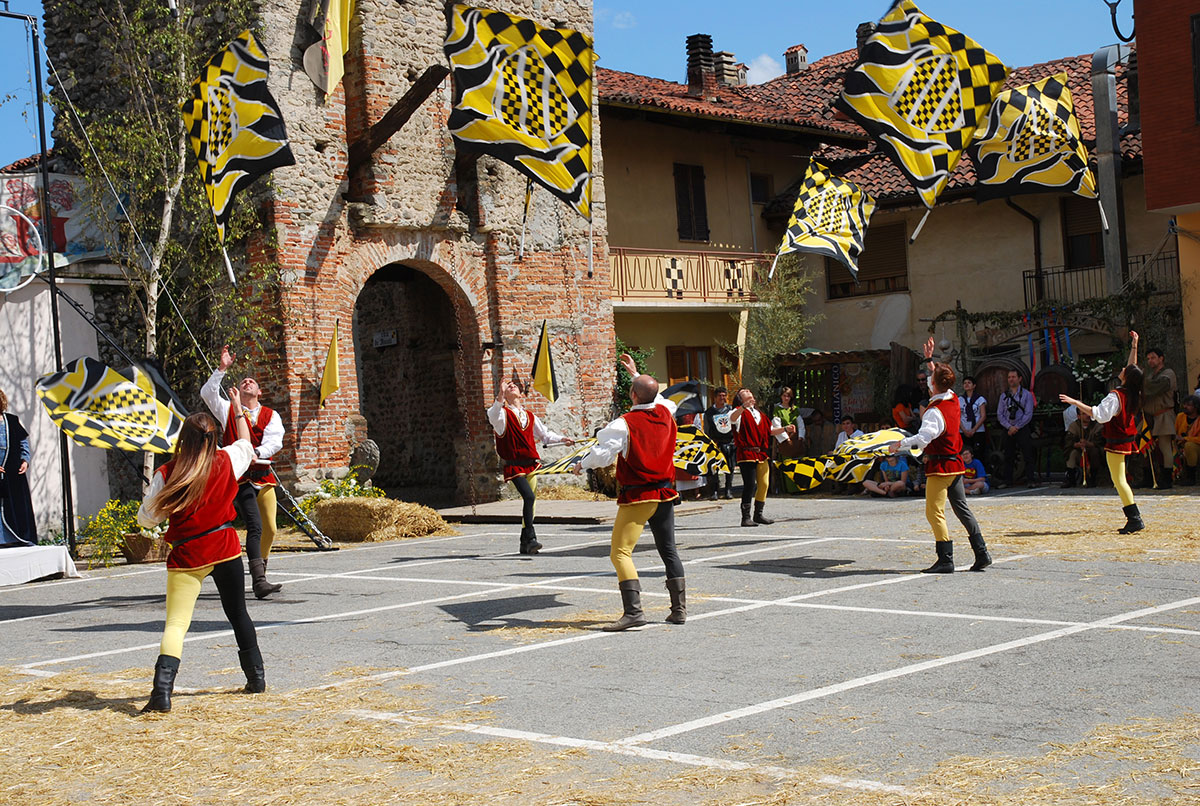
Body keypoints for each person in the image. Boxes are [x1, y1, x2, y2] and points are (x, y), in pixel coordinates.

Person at [137, 389, 265, 713]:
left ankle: (161, 695)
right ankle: (257, 679)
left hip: (188, 554)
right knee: (238, 615)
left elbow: (147, 518)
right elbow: (247, 446)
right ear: (213, 438)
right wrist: (237, 409)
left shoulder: (167, 474)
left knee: (176, 625)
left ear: (184, 439)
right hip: (224, 548)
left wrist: (153, 492)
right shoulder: (225, 459)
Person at [577, 353, 685, 630]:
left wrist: (581, 464)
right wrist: (637, 374)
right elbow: (655, 397)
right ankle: (679, 609)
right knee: (669, 551)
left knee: (620, 553)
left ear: (633, 396)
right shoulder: (666, 411)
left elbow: (602, 455)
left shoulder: (623, 423)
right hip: (665, 493)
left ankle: (634, 612)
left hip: (640, 495)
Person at [890, 337, 992, 574]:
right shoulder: (952, 398)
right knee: (962, 510)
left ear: (933, 385)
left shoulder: (934, 412)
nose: (927, 382)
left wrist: (900, 444)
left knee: (934, 512)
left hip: (940, 468)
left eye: (929, 380)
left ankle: (946, 559)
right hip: (955, 465)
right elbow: (939, 379)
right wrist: (930, 361)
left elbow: (923, 439)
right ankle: (982, 553)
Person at [201, 346, 285, 599]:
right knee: (254, 525)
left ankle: (262, 568)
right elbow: (207, 393)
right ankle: (258, 580)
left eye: (252, 382)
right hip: (238, 477)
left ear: (259, 392)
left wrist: (256, 454)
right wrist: (222, 368)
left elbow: (275, 442)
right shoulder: (228, 409)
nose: (247, 381)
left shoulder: (271, 415)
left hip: (262, 476)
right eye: (243, 380)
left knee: (270, 527)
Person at [1060, 331, 1145, 534]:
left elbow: (1098, 415)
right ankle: (1134, 518)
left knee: (1119, 480)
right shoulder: (1134, 392)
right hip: (1126, 439)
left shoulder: (1115, 396)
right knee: (1120, 479)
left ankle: (1134, 518)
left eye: (1125, 369)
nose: (1123, 368)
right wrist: (1134, 345)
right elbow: (1133, 369)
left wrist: (1074, 402)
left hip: (1116, 441)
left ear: (1127, 377)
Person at [487, 377, 573, 555]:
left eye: (514, 385)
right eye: (507, 386)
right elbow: (492, 416)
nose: (511, 386)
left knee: (531, 502)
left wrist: (562, 440)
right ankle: (531, 537)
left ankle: (525, 543)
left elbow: (546, 436)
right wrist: (500, 396)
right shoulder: (502, 414)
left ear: (521, 393)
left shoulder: (530, 416)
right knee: (529, 497)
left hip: (531, 465)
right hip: (515, 465)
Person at [730, 388, 792, 527]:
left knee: (764, 484)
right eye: (743, 391)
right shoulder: (738, 412)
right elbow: (732, 419)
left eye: (748, 390)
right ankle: (745, 517)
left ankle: (758, 514)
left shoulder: (760, 414)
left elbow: (769, 431)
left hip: (761, 453)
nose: (747, 390)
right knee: (750, 485)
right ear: (740, 398)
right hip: (747, 453)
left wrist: (785, 429)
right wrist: (742, 407)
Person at [0, 388, 37, 548]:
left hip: (13, 471)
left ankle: (17, 538)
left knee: (15, 505)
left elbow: (23, 443)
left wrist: (25, 460)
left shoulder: (11, 420)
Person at [1143, 347, 1178, 489]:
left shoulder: (1168, 374)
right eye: (1148, 359)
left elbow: (1156, 387)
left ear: (1161, 358)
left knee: (1165, 448)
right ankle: (1148, 478)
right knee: (1145, 446)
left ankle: (1167, 479)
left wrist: (1140, 380)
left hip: (1164, 414)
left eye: (1153, 358)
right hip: (1150, 416)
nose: (1150, 361)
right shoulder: (1150, 376)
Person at [997, 369, 1038, 488]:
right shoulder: (1004, 396)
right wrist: (1009, 427)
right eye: (1009, 377)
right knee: (1008, 455)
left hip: (1022, 427)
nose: (1011, 379)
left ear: (1019, 379)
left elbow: (1028, 413)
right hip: (1008, 428)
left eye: (1013, 377)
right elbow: (1000, 414)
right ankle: (1007, 480)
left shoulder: (1026, 395)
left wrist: (1017, 427)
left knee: (1027, 454)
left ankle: (1030, 480)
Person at [703, 387, 736, 500]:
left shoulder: (731, 410)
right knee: (714, 468)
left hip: (730, 442)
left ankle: (728, 490)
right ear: (715, 397)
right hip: (716, 443)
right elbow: (707, 429)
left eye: (724, 395)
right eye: (720, 396)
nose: (722, 398)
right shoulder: (709, 413)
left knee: (730, 468)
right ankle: (715, 491)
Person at [771, 387, 805, 493]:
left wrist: (801, 437)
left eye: (788, 396)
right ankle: (791, 489)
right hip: (785, 440)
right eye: (784, 395)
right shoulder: (778, 409)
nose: (786, 398)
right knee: (788, 464)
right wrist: (786, 439)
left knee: (799, 465)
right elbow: (776, 424)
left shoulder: (795, 409)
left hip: (796, 440)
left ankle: (801, 487)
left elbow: (800, 424)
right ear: (781, 396)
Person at [1062, 408, 1104, 489]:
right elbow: (1068, 442)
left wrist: (1088, 444)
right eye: (1084, 414)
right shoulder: (1074, 426)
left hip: (1092, 451)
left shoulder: (1096, 425)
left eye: (1088, 413)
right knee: (1072, 454)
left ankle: (1093, 478)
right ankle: (1071, 479)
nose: (1087, 416)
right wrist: (1076, 444)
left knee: (1095, 452)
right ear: (1078, 416)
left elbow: (1100, 442)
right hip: (1079, 452)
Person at [1173, 394, 1200, 486]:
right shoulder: (1180, 417)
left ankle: (1191, 477)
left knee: (1189, 446)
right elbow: (1175, 432)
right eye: (1184, 404)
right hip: (1180, 445)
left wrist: (1185, 438)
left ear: (1196, 407)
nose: (1185, 407)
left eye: (1188, 405)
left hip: (1196, 446)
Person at [959, 375, 987, 458]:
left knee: (978, 453)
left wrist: (973, 430)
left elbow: (983, 415)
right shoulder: (960, 400)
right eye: (965, 383)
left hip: (977, 430)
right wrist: (964, 430)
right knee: (964, 453)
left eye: (969, 383)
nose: (966, 384)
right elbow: (958, 416)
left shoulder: (980, 399)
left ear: (974, 386)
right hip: (963, 430)